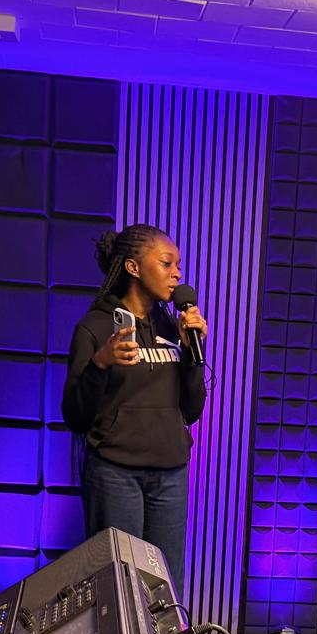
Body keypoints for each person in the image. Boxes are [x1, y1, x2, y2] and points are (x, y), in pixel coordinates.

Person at [61, 223, 206, 596]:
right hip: (115, 475)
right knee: (119, 587)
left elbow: (191, 411)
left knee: (164, 588)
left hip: (170, 476)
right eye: (167, 263)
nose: (177, 274)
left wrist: (192, 353)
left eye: (179, 265)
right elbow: (75, 415)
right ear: (133, 267)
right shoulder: (95, 328)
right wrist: (100, 363)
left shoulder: (172, 328)